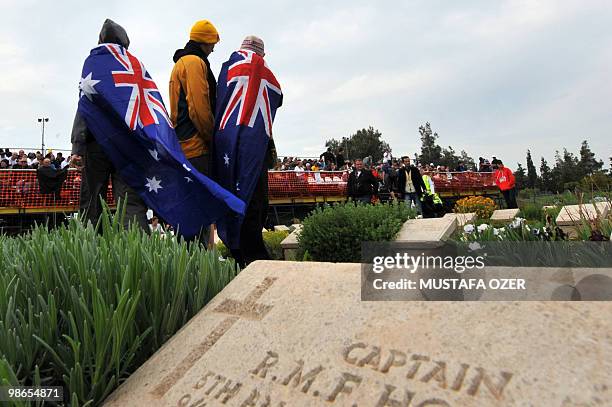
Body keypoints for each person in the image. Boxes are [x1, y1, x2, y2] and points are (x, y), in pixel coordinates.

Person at [70, 19, 149, 231]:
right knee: (130, 201)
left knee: (92, 201)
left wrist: (77, 145)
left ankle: (90, 252)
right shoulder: (135, 65)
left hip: (96, 142)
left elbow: (85, 104)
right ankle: (137, 252)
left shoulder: (94, 62)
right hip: (128, 144)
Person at [214, 35, 282, 267]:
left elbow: (219, 97)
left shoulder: (228, 67)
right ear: (263, 54)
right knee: (255, 197)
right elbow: (278, 96)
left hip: (227, 142)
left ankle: (237, 249)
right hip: (255, 144)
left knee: (230, 191)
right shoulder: (266, 72)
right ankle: (252, 254)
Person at [169, 19, 220, 245]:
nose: (214, 48)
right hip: (196, 147)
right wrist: (212, 138)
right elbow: (199, 108)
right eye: (212, 43)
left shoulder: (181, 62)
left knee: (188, 213)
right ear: (205, 41)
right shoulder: (194, 62)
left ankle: (187, 266)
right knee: (197, 214)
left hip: (183, 146)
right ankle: (197, 268)